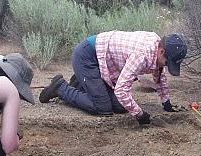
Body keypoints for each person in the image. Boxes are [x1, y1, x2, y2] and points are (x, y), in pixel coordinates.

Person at [38, 31, 187, 125]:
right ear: (161, 51)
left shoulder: (158, 47)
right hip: (87, 56)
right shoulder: (142, 55)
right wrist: (140, 114)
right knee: (102, 108)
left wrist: (166, 102)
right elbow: (121, 90)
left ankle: (81, 82)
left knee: (120, 106)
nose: (167, 66)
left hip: (105, 65)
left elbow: (160, 75)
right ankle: (60, 88)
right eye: (168, 62)